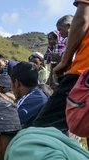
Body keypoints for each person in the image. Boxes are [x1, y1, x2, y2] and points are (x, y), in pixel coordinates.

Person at [33, 3, 89, 133]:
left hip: (83, 74)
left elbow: (82, 19)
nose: (60, 35)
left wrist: (64, 61)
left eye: (61, 31)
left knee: (41, 130)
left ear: (69, 27)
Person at [11, 62, 49, 128]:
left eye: (11, 82)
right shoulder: (38, 93)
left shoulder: (35, 98)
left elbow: (8, 121)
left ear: (17, 83)